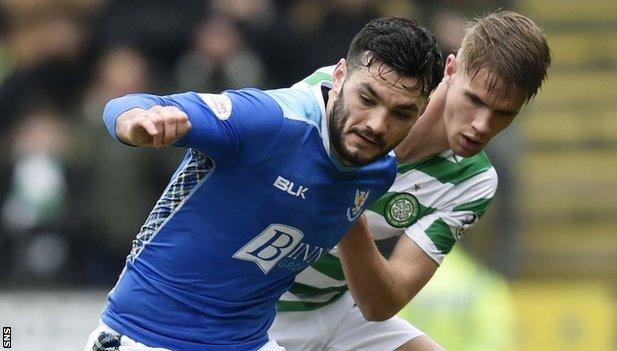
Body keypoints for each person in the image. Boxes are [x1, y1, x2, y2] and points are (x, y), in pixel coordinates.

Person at [83, 17, 444, 351]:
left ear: (423, 110)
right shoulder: (270, 120)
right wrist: (136, 123)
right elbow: (129, 104)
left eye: (401, 113)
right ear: (338, 76)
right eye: (367, 99)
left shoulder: (377, 173)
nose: (377, 125)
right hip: (145, 337)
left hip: (248, 342)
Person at [269, 10, 551, 351]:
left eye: (504, 113)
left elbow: (381, 305)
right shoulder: (346, 93)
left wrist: (350, 210)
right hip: (257, 302)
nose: (482, 124)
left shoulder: (474, 180)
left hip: (334, 309)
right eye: (475, 100)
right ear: (450, 70)